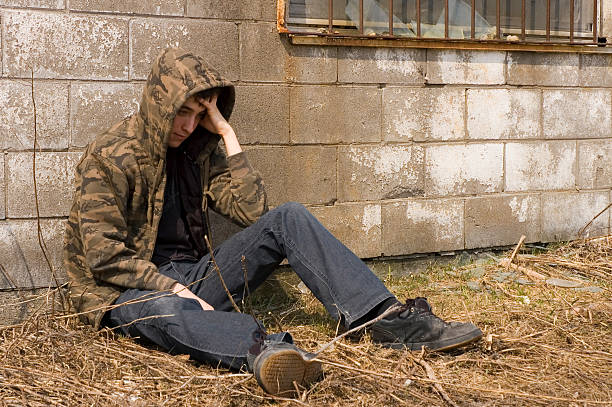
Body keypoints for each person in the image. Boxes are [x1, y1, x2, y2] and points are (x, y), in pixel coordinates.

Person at [64, 47, 482, 396]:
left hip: (193, 275)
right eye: (181, 113)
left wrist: (226, 133)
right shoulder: (110, 156)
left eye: (198, 115)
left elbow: (253, 214)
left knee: (289, 217)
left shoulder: (198, 149)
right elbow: (103, 257)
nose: (188, 125)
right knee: (163, 308)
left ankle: (383, 319)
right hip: (125, 290)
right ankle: (268, 352)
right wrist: (172, 287)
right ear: (159, 104)